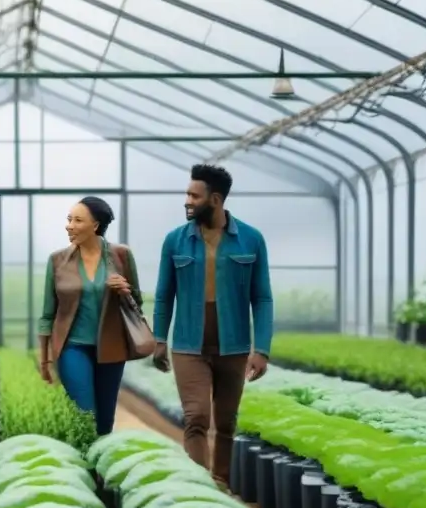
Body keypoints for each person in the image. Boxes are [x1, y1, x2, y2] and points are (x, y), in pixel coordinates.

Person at [152, 163, 273, 483]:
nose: (187, 201)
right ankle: (199, 487)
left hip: (233, 346)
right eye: (187, 194)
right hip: (189, 345)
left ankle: (221, 484)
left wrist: (261, 349)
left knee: (226, 423)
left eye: (194, 195)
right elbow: (164, 295)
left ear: (215, 199)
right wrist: (159, 339)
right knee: (196, 418)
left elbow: (262, 299)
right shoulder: (175, 241)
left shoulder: (251, 239)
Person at [38, 196, 144, 436]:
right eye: (68, 219)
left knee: (106, 420)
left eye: (77, 220)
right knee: (85, 413)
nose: (69, 226)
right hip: (72, 347)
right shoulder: (57, 260)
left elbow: (136, 302)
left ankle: (97, 472)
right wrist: (44, 359)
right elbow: (47, 314)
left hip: (112, 348)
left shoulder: (121, 256)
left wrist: (124, 290)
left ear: (95, 226)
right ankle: (83, 466)